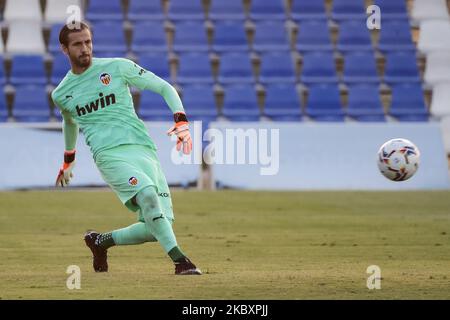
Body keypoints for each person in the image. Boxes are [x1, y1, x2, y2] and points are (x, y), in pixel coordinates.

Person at [51, 21, 201, 275]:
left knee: (158, 225)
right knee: (148, 198)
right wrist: (68, 159)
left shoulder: (118, 67)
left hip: (143, 149)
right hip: (109, 155)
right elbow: (70, 122)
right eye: (77, 44)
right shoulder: (61, 93)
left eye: (88, 42)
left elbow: (165, 87)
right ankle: (181, 262)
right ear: (64, 49)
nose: (85, 48)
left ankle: (101, 241)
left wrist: (181, 119)